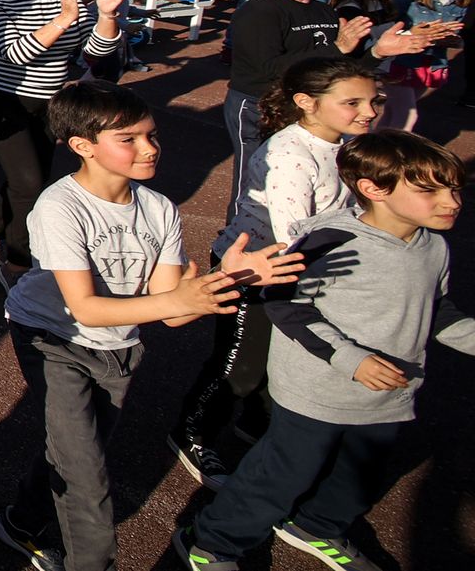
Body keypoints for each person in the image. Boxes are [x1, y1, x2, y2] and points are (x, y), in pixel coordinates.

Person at [0, 82, 301, 571]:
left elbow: (174, 312)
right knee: (88, 476)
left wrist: (230, 280)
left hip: (118, 348)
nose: (150, 148)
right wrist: (177, 298)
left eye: (152, 135)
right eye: (130, 139)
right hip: (54, 338)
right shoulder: (59, 207)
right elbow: (86, 309)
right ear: (82, 146)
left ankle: (20, 523)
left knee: (78, 451)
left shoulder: (158, 209)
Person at [176, 131, 475, 571]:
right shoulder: (330, 241)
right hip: (316, 392)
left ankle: (316, 526)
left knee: (357, 478)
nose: (451, 200)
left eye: (454, 187)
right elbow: (282, 303)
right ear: (373, 189)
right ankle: (211, 541)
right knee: (280, 476)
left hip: (387, 395)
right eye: (430, 189)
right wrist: (352, 359)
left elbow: (436, 310)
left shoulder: (433, 246)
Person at [169, 57, 379, 491]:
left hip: (301, 270)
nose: (369, 112)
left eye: (373, 101)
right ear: (306, 103)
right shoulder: (291, 157)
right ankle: (193, 433)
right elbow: (290, 238)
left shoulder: (345, 143)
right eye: (353, 102)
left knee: (279, 361)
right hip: (252, 270)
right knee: (240, 366)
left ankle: (255, 424)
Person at [0, 0, 141, 284]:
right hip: (0, 97)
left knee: (30, 176)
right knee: (30, 183)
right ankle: (17, 265)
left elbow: (95, 52)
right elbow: (16, 52)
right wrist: (64, 18)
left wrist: (107, 15)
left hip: (49, 99)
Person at [222, 0, 435, 221]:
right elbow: (268, 68)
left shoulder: (323, 12)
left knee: (321, 175)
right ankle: (235, 243)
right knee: (257, 179)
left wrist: (377, 52)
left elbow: (340, 69)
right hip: (259, 106)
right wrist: (337, 48)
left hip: (313, 108)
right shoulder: (258, 12)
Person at [379, 0, 471, 131]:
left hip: (431, 63)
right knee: (408, 114)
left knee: (393, 111)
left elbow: (457, 37)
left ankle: (370, 148)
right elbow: (383, 29)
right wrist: (413, 33)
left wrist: (453, 40)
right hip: (400, 62)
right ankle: (393, 157)